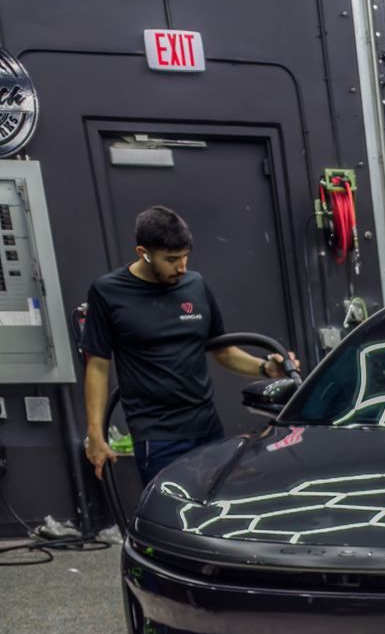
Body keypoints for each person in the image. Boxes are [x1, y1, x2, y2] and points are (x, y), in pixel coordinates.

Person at [82, 205, 299, 486]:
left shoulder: (194, 285)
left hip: (207, 428)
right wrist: (95, 434)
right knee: (169, 516)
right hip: (156, 436)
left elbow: (223, 351)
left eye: (185, 257)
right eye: (171, 259)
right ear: (143, 253)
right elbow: (97, 367)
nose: (181, 267)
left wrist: (265, 368)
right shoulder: (108, 292)